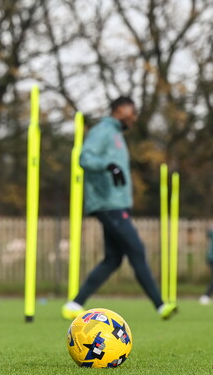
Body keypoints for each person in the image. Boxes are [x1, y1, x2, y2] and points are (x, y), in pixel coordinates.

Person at [61, 97, 177, 321]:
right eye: (132, 112)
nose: (134, 117)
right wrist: (108, 165)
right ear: (120, 109)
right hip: (108, 204)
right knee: (136, 249)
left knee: (113, 259)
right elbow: (84, 157)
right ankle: (161, 305)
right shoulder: (103, 131)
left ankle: (74, 304)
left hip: (117, 203)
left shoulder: (117, 135)